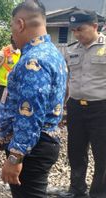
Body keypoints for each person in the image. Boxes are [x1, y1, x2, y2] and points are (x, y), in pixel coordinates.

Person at [0, 0, 67, 197]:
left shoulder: (33, 60)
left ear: (20, 24)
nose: (12, 33)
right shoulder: (53, 53)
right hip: (39, 144)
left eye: (12, 26)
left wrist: (15, 157)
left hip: (31, 150)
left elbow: (30, 112)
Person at [59, 10, 106, 198]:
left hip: (101, 108)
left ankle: (99, 193)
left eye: (81, 29)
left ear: (95, 26)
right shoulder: (71, 49)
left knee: (102, 154)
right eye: (74, 30)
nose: (77, 34)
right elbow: (68, 79)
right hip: (76, 107)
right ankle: (77, 189)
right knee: (75, 150)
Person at [0, 37, 21, 137]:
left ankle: (9, 130)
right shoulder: (3, 52)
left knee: (14, 107)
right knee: (1, 108)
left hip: (15, 85)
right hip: (3, 85)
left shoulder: (20, 52)